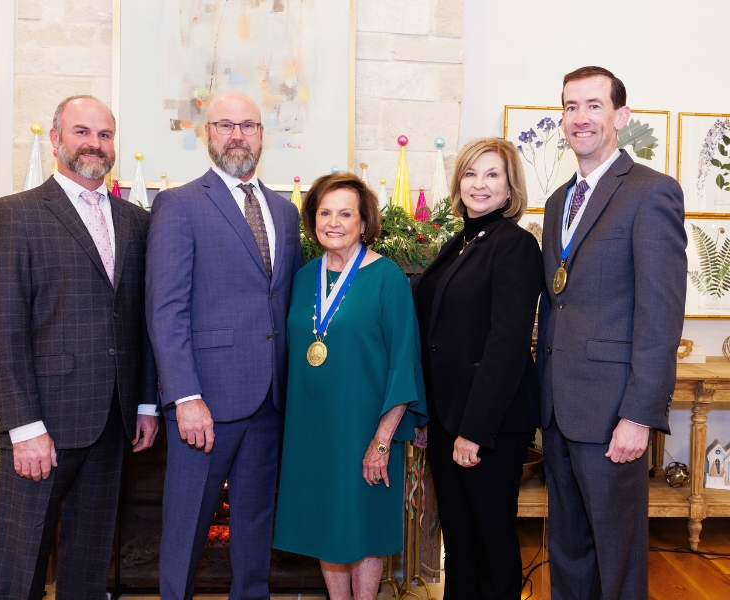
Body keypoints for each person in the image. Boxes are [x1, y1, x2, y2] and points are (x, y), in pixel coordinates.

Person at [0, 95, 159, 599]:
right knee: (20, 561)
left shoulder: (135, 222)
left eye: (104, 135)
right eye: (81, 132)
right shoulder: (14, 215)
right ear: (56, 140)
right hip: (44, 424)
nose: (94, 145)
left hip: (114, 420)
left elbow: (142, 320)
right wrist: (24, 426)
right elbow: (0, 326)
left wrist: (145, 401)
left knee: (89, 561)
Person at [536, 66, 687, 599]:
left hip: (612, 415)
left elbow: (660, 316)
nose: (581, 118)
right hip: (558, 410)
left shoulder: (652, 193)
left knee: (617, 558)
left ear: (620, 116)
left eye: (593, 106)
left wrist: (640, 415)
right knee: (569, 551)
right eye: (571, 107)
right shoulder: (558, 202)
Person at [146, 92, 302, 600]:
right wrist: (184, 397)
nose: (238, 135)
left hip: (269, 400)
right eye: (226, 125)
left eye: (248, 126)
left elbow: (282, 302)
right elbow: (166, 310)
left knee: (255, 529)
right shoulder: (179, 204)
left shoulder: (285, 211)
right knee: (186, 528)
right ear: (207, 133)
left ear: (262, 134)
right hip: (204, 403)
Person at [273, 172, 427, 600]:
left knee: (364, 527)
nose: (334, 222)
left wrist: (382, 440)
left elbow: (403, 364)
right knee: (327, 524)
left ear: (364, 223)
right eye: (325, 212)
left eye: (346, 213)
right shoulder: (304, 278)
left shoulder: (388, 277)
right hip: (312, 428)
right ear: (313, 220)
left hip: (366, 428)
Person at [412, 138, 543, 599]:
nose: (479, 184)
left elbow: (506, 345)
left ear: (511, 190)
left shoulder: (515, 245)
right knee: (461, 543)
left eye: (492, 175)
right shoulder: (464, 241)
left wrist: (474, 430)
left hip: (487, 424)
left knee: (490, 543)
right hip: (451, 418)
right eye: (471, 173)